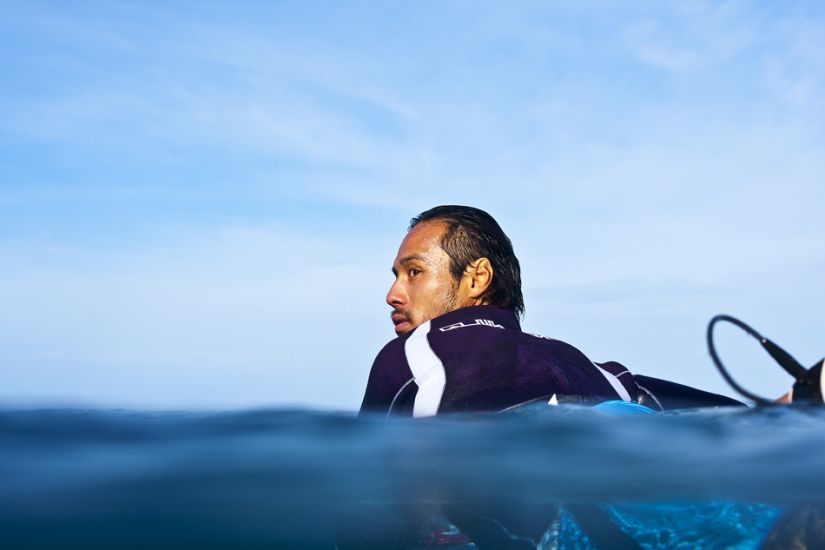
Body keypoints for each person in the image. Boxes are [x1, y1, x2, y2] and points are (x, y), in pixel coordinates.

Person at [360, 205, 743, 417]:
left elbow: (360, 514)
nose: (393, 294)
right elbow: (736, 418)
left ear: (477, 278)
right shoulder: (584, 365)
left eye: (414, 272)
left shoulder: (415, 355)